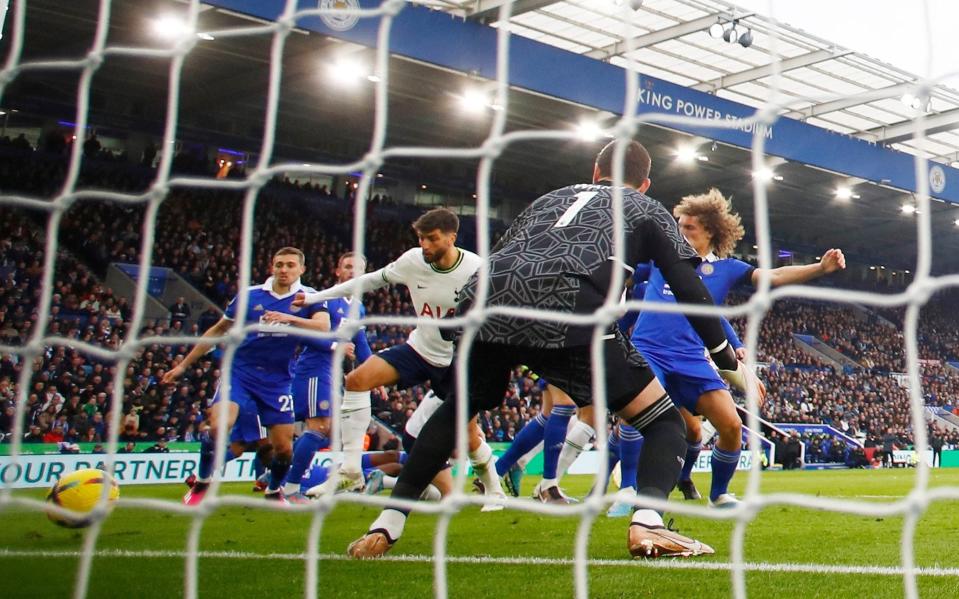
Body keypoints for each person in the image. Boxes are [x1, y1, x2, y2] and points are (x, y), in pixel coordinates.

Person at [346, 139, 749, 560]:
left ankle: (387, 522)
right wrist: (723, 355)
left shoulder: (550, 198)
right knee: (664, 422)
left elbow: (504, 255)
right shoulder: (644, 208)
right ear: (644, 183)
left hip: (485, 301)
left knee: (459, 406)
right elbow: (688, 287)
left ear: (596, 172)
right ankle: (648, 523)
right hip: (569, 308)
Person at [627, 188, 844, 507]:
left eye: (689, 228)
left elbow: (774, 275)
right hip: (648, 349)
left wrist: (820, 268)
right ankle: (629, 490)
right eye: (679, 225)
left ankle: (720, 494)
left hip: (690, 358)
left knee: (730, 425)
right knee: (636, 413)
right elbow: (623, 269)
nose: (681, 232)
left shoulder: (726, 270)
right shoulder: (661, 260)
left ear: (710, 232)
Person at [294, 208, 506, 507]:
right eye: (421, 238)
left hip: (457, 363)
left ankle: (494, 490)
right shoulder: (412, 261)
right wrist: (315, 297)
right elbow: (368, 281)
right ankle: (352, 470)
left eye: (432, 239)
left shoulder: (477, 269)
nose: (426, 246)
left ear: (452, 237)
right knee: (357, 380)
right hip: (419, 349)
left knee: (469, 436)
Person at [161, 247, 325, 505]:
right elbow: (218, 330)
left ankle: (273, 491)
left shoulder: (311, 298)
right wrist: (184, 365)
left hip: (279, 380)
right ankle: (202, 482)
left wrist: (287, 318)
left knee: (283, 449)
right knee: (219, 426)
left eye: (290, 265)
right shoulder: (249, 296)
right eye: (279, 264)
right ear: (272, 266)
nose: (284, 269)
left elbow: (323, 327)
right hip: (240, 372)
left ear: (302, 269)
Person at [281, 252, 374, 502]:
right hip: (314, 367)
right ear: (337, 271)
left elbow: (361, 344)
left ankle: (276, 478)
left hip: (332, 373)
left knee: (329, 430)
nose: (353, 272)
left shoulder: (358, 307)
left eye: (358, 269)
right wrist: (336, 347)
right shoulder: (322, 299)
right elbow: (302, 333)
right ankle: (288, 488)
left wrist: (375, 373)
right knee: (319, 427)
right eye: (347, 267)